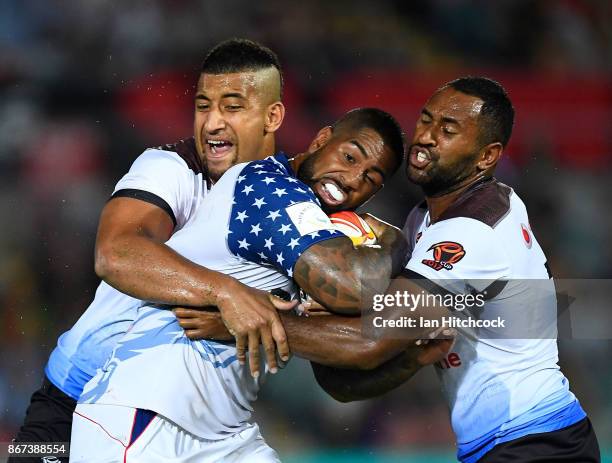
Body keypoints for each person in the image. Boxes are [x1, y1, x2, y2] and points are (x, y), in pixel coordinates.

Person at [69, 108, 425, 462]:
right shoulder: (269, 187)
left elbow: (338, 379)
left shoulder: (322, 237)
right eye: (349, 157)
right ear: (320, 140)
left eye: (371, 179)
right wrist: (395, 241)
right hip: (146, 416)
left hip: (225, 434)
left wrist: (413, 355)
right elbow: (354, 287)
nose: (352, 178)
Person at [11, 38, 295, 460]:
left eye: (232, 107)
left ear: (272, 117)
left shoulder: (289, 204)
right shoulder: (171, 167)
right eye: (203, 106)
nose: (212, 123)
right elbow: (116, 253)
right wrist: (225, 292)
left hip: (205, 425)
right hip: (71, 407)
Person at [312, 77, 600, 462]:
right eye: (426, 120)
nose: (427, 137)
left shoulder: (471, 230)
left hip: (534, 443)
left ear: (486, 156)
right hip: (510, 444)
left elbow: (371, 341)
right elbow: (349, 379)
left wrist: (247, 317)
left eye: (448, 130)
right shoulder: (426, 221)